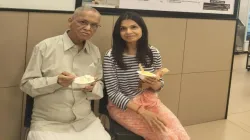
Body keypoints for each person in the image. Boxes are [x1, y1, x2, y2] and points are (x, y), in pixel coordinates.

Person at [20, 5, 111, 140]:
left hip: (85, 121)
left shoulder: (94, 51)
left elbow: (99, 85)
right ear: (70, 21)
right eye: (83, 22)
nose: (88, 28)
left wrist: (93, 88)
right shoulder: (45, 47)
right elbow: (26, 85)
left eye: (94, 25)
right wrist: (56, 81)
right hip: (49, 123)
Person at [103, 11, 190, 140]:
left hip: (150, 101)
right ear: (118, 33)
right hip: (123, 106)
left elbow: (160, 84)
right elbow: (113, 93)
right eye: (123, 28)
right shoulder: (111, 57)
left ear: (142, 29)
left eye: (134, 27)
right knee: (167, 136)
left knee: (182, 135)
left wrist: (155, 83)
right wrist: (142, 111)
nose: (128, 32)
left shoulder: (153, 52)